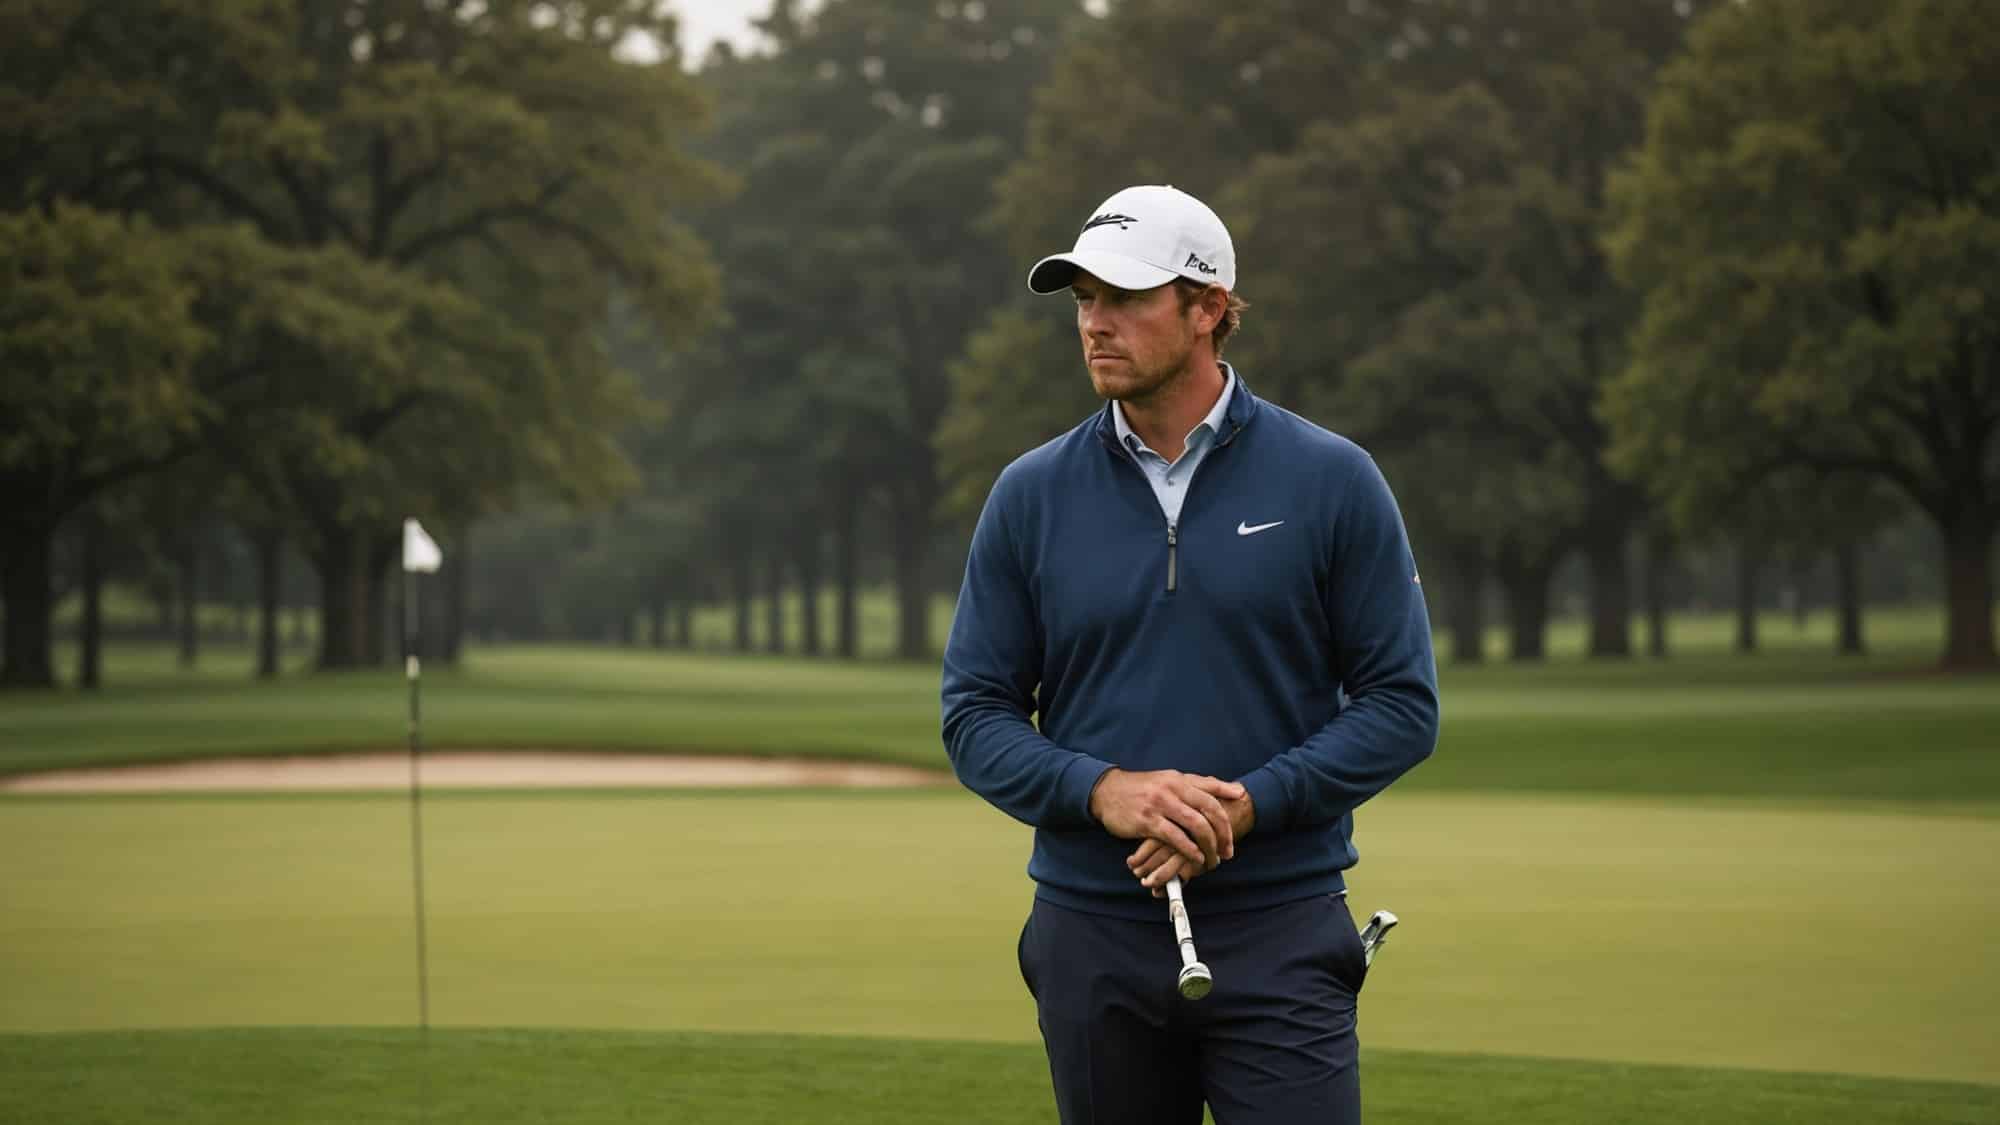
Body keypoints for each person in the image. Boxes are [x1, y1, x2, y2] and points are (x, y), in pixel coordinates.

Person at [940, 184, 1441, 1124]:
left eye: (1125, 299)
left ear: (1208, 308)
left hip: (1282, 928)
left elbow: (1402, 706)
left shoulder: (1332, 479)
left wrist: (1250, 805)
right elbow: (974, 715)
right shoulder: (1029, 493)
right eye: (1084, 299)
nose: (1095, 323)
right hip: (1092, 934)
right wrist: (1104, 790)